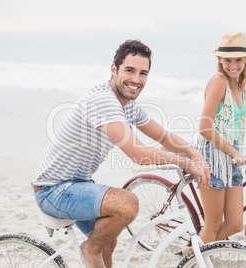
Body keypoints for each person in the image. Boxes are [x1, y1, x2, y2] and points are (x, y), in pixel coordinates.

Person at [32, 40, 211, 268]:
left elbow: (164, 137)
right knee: (127, 204)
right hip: (54, 189)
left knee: (109, 240)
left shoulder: (127, 104)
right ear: (114, 69)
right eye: (129, 70)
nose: (136, 79)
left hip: (77, 184)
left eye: (143, 73)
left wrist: (192, 151)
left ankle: (94, 251)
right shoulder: (103, 100)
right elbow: (138, 154)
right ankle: (90, 250)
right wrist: (184, 162)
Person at [186, 32, 246, 253]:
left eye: (238, 59)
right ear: (220, 60)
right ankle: (193, 258)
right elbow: (205, 128)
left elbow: (237, 113)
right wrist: (233, 152)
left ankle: (191, 252)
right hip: (212, 153)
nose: (233, 65)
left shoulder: (238, 82)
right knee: (214, 224)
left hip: (231, 151)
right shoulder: (218, 82)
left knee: (235, 224)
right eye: (228, 60)